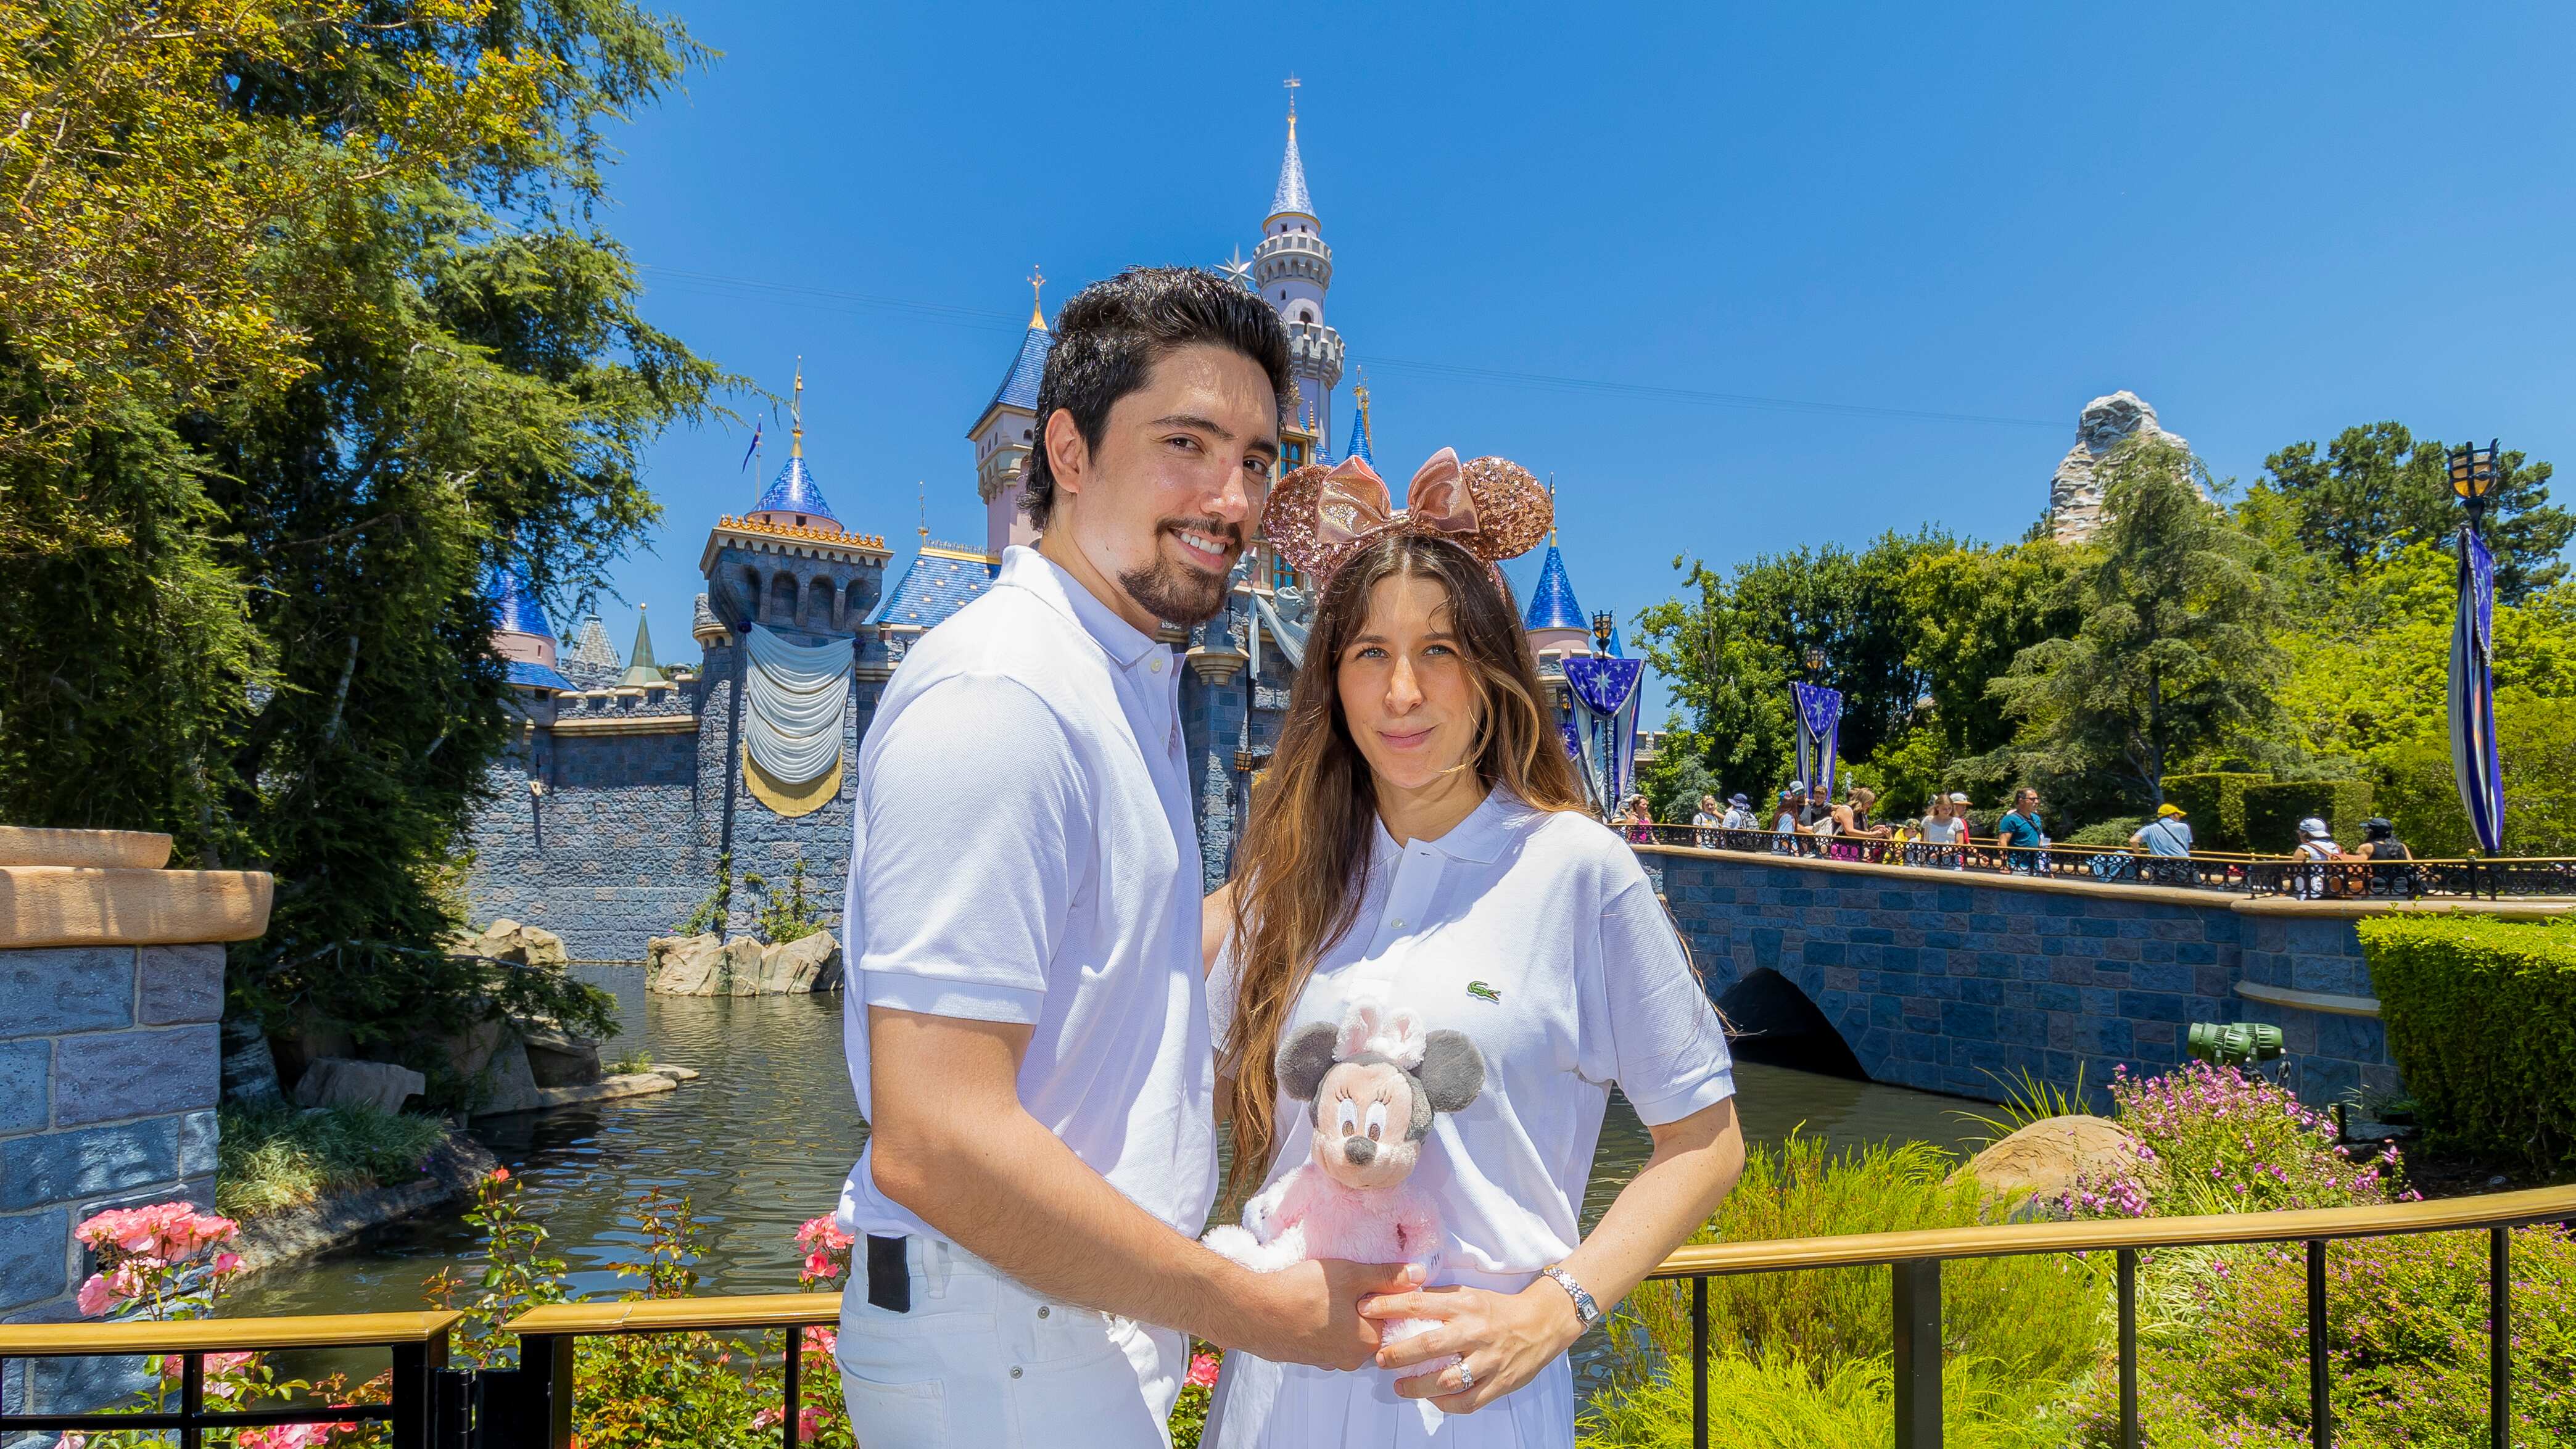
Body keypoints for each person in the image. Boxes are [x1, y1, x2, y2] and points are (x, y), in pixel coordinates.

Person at [832, 268, 1414, 1448]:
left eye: (1255, 458)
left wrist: (1321, 852)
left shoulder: (1114, 677)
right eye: (1186, 442)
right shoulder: (1004, 695)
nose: (1230, 494)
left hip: (1051, 1325)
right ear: (1067, 448)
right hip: (1004, 1337)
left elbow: (1127, 960)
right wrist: (1245, 1299)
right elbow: (936, 1136)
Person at [1203, 477, 1747, 1447]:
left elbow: (1706, 1142)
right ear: (1331, 678)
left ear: (1493, 675)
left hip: (1472, 1408)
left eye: (1438, 652)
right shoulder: (1290, 878)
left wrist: (1554, 1310)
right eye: (1371, 652)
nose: (1401, 692)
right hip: (1276, 1397)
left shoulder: (1575, 870)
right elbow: (1149, 1052)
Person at [2129, 802, 2194, 885]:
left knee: (2160, 893)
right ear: (2172, 815)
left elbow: (2133, 841)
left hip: (2160, 867)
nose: (2180, 817)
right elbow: (2188, 845)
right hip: (2183, 866)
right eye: (2178, 814)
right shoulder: (2184, 826)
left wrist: (2139, 854)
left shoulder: (2148, 828)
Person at [1996, 788, 2047, 873]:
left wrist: (2045, 845)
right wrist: (2004, 865)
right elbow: (2002, 843)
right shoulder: (2010, 819)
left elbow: (2039, 837)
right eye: (2032, 799)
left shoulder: (2036, 818)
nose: (2037, 802)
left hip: (2036, 865)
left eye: (2037, 799)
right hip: (2018, 866)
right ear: (2021, 801)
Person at [2292, 815, 2342, 899]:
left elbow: (2292, 871)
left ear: (2305, 833)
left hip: (2311, 892)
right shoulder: (2335, 846)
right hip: (2334, 890)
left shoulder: (2304, 849)